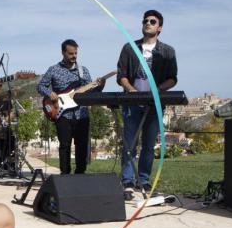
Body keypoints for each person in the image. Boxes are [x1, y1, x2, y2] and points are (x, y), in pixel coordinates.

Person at [117, 10, 177, 199]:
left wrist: (157, 89)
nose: (148, 23)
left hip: (154, 104)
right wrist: (131, 90)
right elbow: (122, 76)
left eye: (153, 21)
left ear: (160, 27)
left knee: (149, 145)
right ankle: (127, 181)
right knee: (130, 144)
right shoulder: (130, 48)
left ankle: (143, 180)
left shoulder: (167, 51)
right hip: (132, 103)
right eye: (145, 21)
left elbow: (172, 78)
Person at [37, 39, 105, 174]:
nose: (74, 56)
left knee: (81, 146)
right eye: (70, 53)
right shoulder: (53, 70)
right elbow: (40, 86)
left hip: (82, 114)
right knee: (65, 146)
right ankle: (65, 175)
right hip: (62, 114)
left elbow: (90, 94)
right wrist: (50, 93)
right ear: (63, 53)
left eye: (75, 53)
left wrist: (100, 86)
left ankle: (80, 173)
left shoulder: (83, 71)